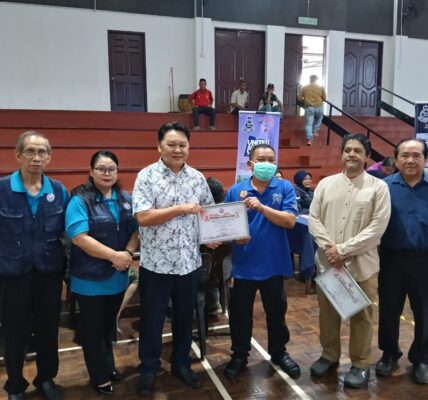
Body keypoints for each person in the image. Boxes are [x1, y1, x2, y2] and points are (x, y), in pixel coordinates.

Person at [132, 122, 218, 396]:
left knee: (184, 318)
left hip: (189, 263)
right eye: (171, 144)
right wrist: (180, 208)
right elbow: (143, 217)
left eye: (182, 144)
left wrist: (211, 235)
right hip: (156, 264)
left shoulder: (197, 178)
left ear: (189, 147)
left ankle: (181, 363)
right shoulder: (146, 176)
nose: (177, 149)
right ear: (159, 146)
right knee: (152, 320)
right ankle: (148, 368)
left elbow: (207, 214)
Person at [308, 133, 391, 389]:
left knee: (361, 316)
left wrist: (342, 250)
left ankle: (361, 363)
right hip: (328, 265)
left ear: (367, 156)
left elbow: (377, 227)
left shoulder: (379, 188)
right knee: (328, 314)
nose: (351, 154)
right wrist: (330, 249)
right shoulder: (326, 184)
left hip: (362, 266)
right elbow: (314, 219)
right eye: (348, 150)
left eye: (357, 151)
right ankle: (329, 355)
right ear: (341, 154)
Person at [223, 143, 301, 380]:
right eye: (261, 159)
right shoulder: (235, 191)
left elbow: (289, 221)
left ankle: (279, 353)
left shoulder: (285, 187)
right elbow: (225, 225)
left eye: (271, 159)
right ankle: (239, 355)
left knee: (276, 314)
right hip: (244, 265)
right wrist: (235, 237)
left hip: (274, 265)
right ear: (250, 164)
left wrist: (262, 207)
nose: (267, 164)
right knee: (240, 316)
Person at [0, 131, 68, 400]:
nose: (37, 157)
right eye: (30, 151)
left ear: (49, 157)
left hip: (48, 273)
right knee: (13, 332)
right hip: (12, 274)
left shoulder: (58, 191)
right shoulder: (2, 189)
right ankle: (15, 384)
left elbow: (69, 233)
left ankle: (46, 378)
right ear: (18, 155)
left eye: (42, 152)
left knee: (48, 329)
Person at [66, 150, 139, 395]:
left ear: (117, 172)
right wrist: (114, 257)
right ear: (91, 171)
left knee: (108, 327)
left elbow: (136, 230)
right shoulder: (80, 201)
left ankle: (108, 366)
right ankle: (98, 376)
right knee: (93, 331)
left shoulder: (125, 198)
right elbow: (79, 238)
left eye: (111, 169)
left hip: (117, 278)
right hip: (89, 279)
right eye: (101, 169)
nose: (107, 173)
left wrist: (127, 253)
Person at [376, 139, 428, 384]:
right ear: (396, 160)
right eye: (405, 155)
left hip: (424, 260)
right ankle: (389, 354)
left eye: (416, 155)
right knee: (388, 309)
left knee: (425, 312)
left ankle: (422, 358)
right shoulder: (383, 187)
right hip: (391, 259)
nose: (410, 160)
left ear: (425, 159)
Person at [298, 75, 326, 146]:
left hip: (309, 107)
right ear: (316, 80)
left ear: (310, 79)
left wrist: (305, 100)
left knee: (308, 124)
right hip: (319, 107)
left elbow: (299, 99)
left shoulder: (304, 88)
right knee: (319, 118)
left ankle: (309, 140)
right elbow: (324, 98)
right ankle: (315, 130)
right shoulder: (321, 87)